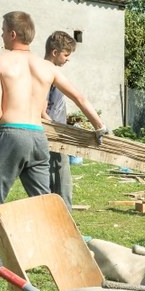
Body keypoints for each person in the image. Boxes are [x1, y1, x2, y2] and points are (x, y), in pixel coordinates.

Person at [0, 12, 107, 272]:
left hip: (11, 133)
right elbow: (79, 97)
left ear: (12, 33)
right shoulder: (47, 68)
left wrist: (1, 130)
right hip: (38, 138)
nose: (1, 35)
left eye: (2, 30)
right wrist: (100, 127)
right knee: (43, 202)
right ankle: (59, 254)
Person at [43, 31, 107, 211]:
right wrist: (100, 127)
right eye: (66, 55)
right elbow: (44, 109)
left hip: (51, 134)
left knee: (47, 183)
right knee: (61, 182)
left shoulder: (38, 69)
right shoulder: (49, 72)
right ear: (55, 52)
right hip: (52, 136)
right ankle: (64, 222)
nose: (68, 60)